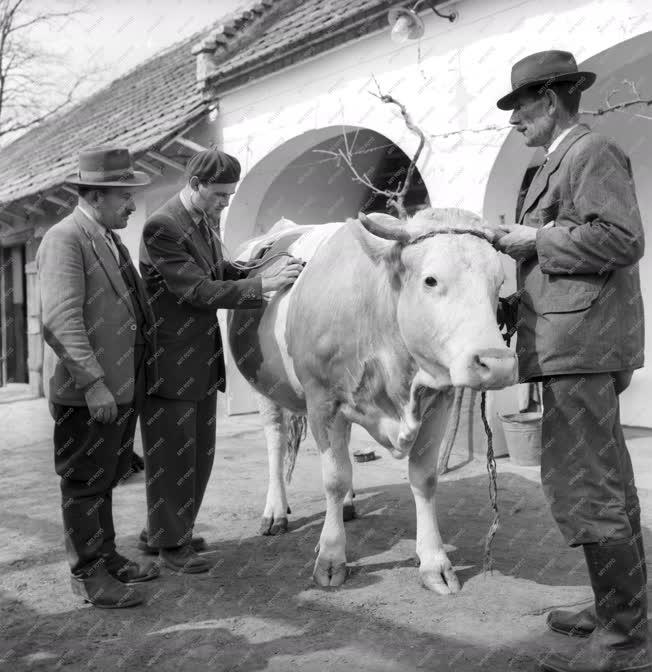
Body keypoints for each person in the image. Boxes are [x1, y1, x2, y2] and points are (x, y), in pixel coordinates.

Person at [490, 50, 649, 672]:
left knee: (589, 489)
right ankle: (619, 612)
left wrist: (536, 239)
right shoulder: (558, 160)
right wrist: (515, 299)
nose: (513, 121)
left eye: (519, 107)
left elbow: (622, 240)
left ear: (550, 101)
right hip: (569, 342)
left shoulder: (589, 153)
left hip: (581, 349)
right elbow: (573, 257)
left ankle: (625, 641)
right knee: (605, 485)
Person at [138, 147, 303, 573]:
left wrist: (261, 265)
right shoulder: (163, 226)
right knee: (173, 455)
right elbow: (196, 290)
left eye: (229, 195)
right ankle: (172, 547)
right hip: (170, 361)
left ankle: (167, 531)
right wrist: (262, 285)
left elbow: (220, 270)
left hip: (198, 359)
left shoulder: (200, 221)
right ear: (194, 186)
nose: (225, 203)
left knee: (197, 454)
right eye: (220, 195)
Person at [37, 146, 159, 609]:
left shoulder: (105, 236)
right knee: (84, 482)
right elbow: (61, 320)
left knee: (105, 479)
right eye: (125, 195)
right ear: (97, 195)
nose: (131, 204)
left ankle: (105, 556)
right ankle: (87, 574)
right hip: (89, 394)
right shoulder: (64, 239)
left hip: (121, 388)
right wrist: (92, 382)